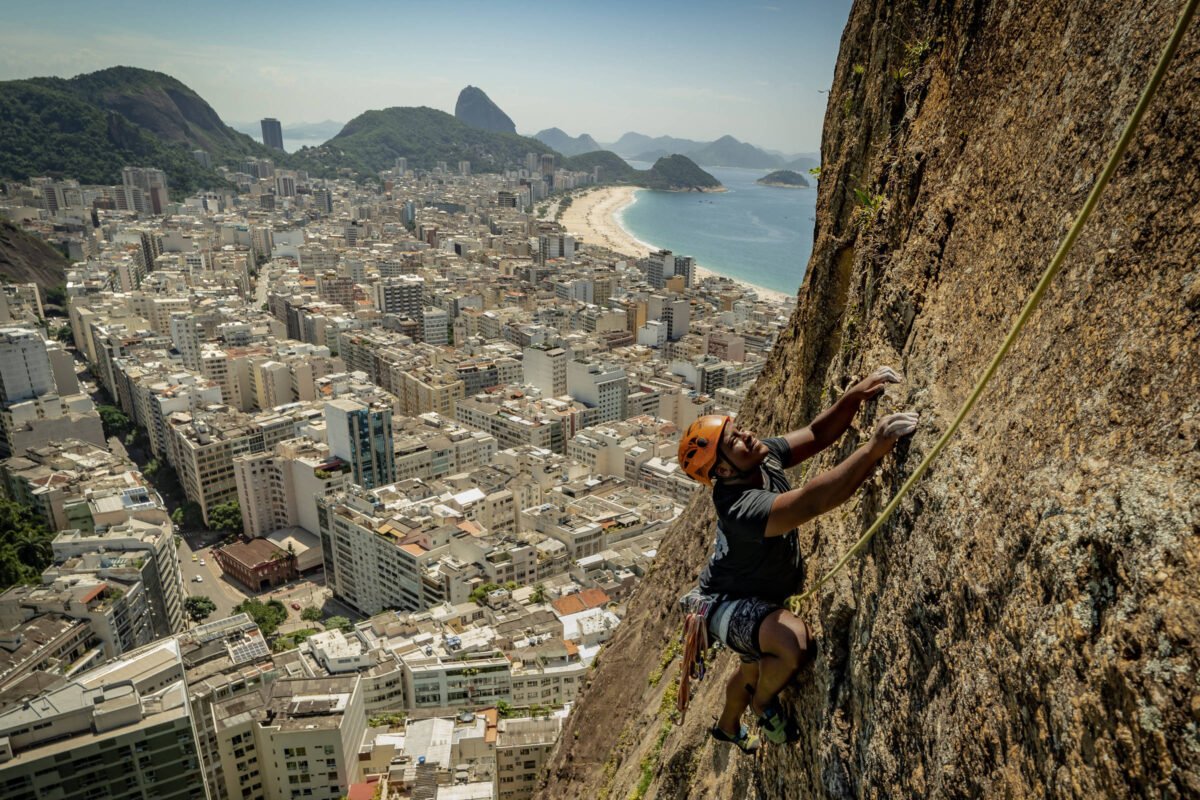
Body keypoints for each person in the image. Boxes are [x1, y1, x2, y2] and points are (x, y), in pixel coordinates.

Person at [677, 367, 919, 752]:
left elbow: (816, 434)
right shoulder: (740, 508)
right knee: (792, 643)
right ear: (722, 469)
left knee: (753, 665)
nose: (747, 435)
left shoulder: (758, 459)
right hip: (725, 604)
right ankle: (762, 703)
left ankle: (726, 726)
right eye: (735, 440)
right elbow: (811, 502)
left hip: (743, 593)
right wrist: (872, 450)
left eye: (738, 429)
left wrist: (854, 396)